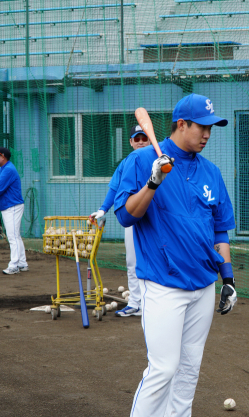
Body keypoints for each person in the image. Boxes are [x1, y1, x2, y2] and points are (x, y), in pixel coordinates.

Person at [114, 94, 237, 417]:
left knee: (188, 371)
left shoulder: (211, 172)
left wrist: (228, 279)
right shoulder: (142, 163)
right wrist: (153, 182)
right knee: (164, 370)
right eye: (203, 127)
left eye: (212, 127)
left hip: (202, 287)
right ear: (182, 125)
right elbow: (126, 216)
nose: (208, 134)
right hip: (164, 285)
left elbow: (219, 230)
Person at [90, 125, 151, 317]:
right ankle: (135, 303)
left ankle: (152, 304)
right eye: (137, 138)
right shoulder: (126, 162)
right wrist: (103, 209)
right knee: (132, 261)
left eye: (144, 138)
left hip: (155, 220)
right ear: (131, 142)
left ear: (150, 140)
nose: (141, 141)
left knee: (155, 261)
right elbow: (115, 188)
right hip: (132, 217)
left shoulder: (158, 158)